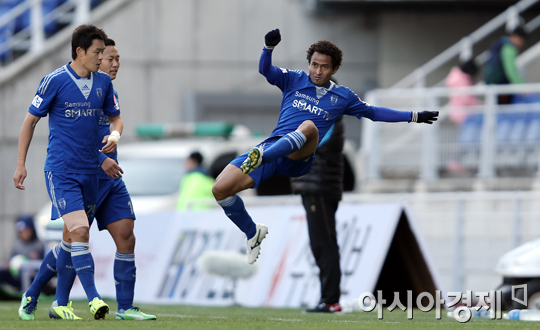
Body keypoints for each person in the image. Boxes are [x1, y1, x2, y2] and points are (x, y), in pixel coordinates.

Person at [211, 29, 439, 265]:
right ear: (308, 63)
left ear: (334, 69)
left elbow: (375, 112)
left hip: (299, 157)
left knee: (309, 126)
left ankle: (261, 158)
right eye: (314, 65)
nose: (318, 71)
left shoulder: (343, 97)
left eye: (324, 67)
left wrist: (413, 115)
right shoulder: (294, 79)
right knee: (221, 189)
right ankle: (252, 232)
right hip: (273, 147)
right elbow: (265, 71)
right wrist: (268, 48)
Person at [16, 38, 156, 321]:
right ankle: (53, 299)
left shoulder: (105, 87)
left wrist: (114, 141)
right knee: (73, 240)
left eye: (118, 59)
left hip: (108, 177)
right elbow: (73, 138)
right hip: (79, 172)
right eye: (109, 58)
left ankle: (125, 307)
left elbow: (115, 123)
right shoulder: (66, 82)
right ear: (92, 56)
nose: (115, 64)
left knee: (126, 236)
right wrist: (101, 158)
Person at [290, 113, 345, 313]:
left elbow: (309, 146)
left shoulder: (326, 120)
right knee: (321, 244)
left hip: (319, 188)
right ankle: (329, 299)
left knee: (324, 244)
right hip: (315, 187)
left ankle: (330, 300)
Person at [0, 216, 45, 295]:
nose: (23, 233)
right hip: (17, 276)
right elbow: (11, 260)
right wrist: (9, 264)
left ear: (31, 230)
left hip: (33, 276)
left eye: (25, 230)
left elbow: (44, 264)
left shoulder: (39, 244)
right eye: (21, 231)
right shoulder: (17, 245)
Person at [484, 26, 528, 104]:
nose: (522, 44)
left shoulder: (500, 42)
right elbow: (511, 71)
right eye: (521, 40)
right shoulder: (509, 48)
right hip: (499, 84)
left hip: (490, 82)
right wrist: (522, 88)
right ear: (515, 36)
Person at [445, 59, 479, 125]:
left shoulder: (454, 75)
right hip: (465, 114)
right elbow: (466, 99)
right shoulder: (463, 81)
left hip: (455, 111)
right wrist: (478, 104)